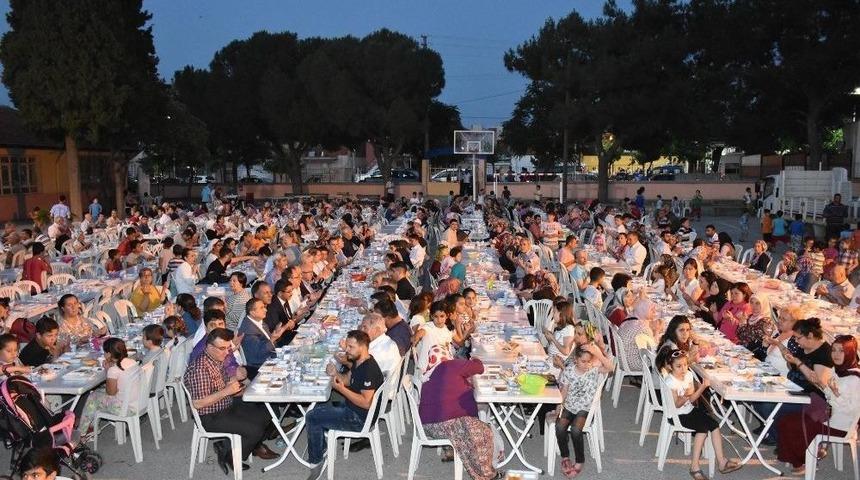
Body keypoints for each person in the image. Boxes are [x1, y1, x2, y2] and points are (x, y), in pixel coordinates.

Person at [184, 328, 277, 475]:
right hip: (210, 415)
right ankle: (229, 456)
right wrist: (227, 391)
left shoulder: (216, 358)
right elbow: (198, 403)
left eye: (228, 348)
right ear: (209, 347)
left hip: (225, 403)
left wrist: (237, 382)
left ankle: (227, 445)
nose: (227, 352)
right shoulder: (200, 369)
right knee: (255, 429)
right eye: (222, 348)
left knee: (265, 411)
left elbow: (223, 382)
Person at [305, 330, 384, 480]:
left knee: (312, 417)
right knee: (317, 408)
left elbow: (366, 403)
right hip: (353, 408)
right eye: (347, 346)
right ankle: (321, 447)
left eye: (350, 347)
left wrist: (341, 389)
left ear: (363, 347)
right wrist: (335, 373)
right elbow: (348, 379)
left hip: (360, 419)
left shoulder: (368, 369)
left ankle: (316, 462)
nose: (346, 350)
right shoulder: (360, 361)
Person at [775, 335, 860, 474]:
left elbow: (851, 410)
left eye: (842, 351)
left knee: (792, 425)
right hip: (829, 417)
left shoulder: (855, 379)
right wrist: (821, 384)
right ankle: (800, 457)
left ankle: (805, 461)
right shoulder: (839, 371)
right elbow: (830, 396)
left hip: (840, 426)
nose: (836, 354)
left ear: (850, 353)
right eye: (834, 350)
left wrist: (836, 394)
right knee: (785, 419)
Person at [657, 347, 741, 479]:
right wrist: (686, 394)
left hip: (688, 410)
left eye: (685, 365)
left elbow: (692, 399)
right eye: (679, 366)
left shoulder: (688, 375)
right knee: (702, 429)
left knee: (714, 425)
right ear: (670, 367)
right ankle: (694, 466)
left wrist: (701, 387)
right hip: (676, 415)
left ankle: (722, 461)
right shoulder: (670, 381)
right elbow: (677, 404)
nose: (683, 369)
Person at [418, 354, 499, 480]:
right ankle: (487, 475)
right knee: (483, 432)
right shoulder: (454, 365)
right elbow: (479, 367)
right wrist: (475, 358)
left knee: (468, 423)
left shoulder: (437, 370)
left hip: (427, 424)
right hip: (442, 424)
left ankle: (453, 451)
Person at [554, 344, 615, 477]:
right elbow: (564, 391)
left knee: (576, 430)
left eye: (588, 361)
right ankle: (565, 456)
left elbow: (611, 368)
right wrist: (558, 406)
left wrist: (598, 353)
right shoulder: (568, 371)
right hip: (569, 406)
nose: (586, 364)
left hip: (585, 408)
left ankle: (580, 460)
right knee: (559, 426)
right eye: (583, 361)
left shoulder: (593, 370)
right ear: (575, 359)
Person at [77, 338, 141, 435]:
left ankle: (81, 433)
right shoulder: (132, 361)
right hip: (138, 402)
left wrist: (108, 371)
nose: (104, 354)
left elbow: (111, 392)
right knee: (98, 392)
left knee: (93, 397)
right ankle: (92, 426)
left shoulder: (114, 370)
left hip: (126, 408)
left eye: (105, 352)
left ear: (109, 354)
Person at [239, 298, 292, 379]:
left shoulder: (259, 322)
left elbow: (267, 341)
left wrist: (276, 334)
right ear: (252, 313)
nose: (266, 310)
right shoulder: (248, 331)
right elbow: (257, 355)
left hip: (271, 358)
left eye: (264, 307)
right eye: (261, 308)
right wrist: (272, 339)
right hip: (260, 367)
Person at [412, 300, 454, 384]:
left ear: (447, 316)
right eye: (436, 317)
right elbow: (421, 332)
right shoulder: (428, 326)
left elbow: (447, 347)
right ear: (431, 316)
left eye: (442, 316)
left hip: (442, 362)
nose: (439, 320)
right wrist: (417, 336)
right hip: (427, 365)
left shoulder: (447, 330)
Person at [542, 300, 577, 367]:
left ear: (561, 314)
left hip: (556, 363)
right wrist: (549, 337)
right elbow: (555, 345)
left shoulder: (569, 329)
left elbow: (566, 351)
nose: (553, 315)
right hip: (550, 358)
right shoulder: (561, 327)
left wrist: (553, 338)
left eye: (554, 312)